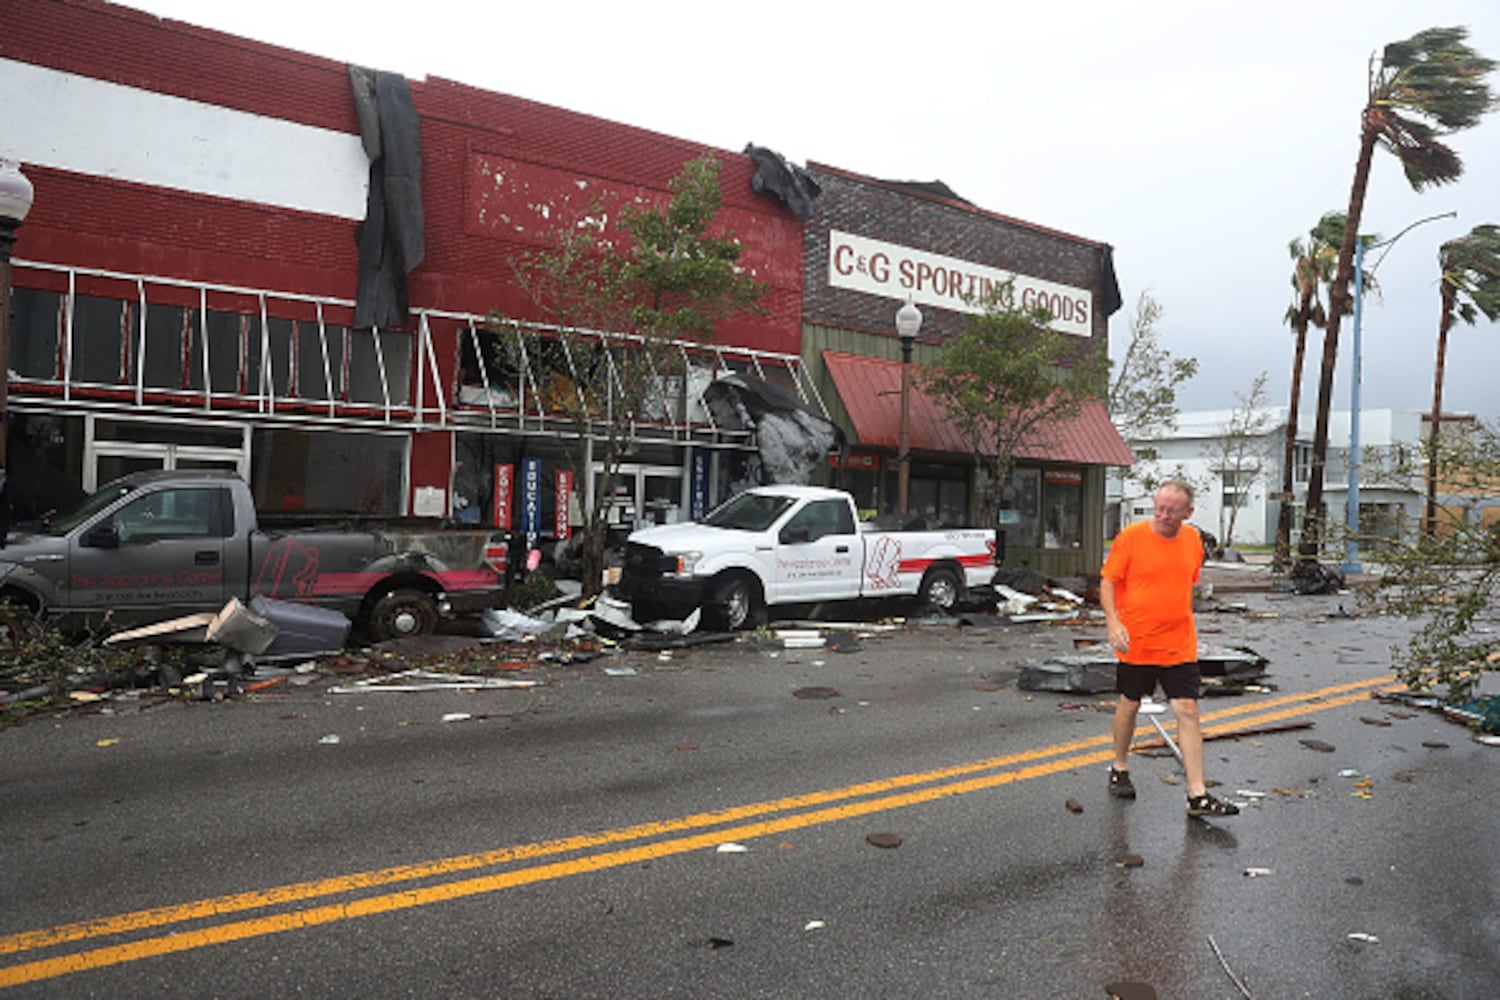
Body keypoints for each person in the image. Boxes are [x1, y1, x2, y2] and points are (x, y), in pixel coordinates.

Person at [1100, 479, 1238, 818]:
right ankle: (1119, 767)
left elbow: (1184, 584)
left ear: (1187, 513)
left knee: (1188, 709)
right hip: (1138, 640)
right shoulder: (1131, 538)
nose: (1162, 515)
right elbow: (1108, 581)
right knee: (1130, 703)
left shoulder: (1192, 541)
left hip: (1178, 643)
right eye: (1159, 508)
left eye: (1171, 511)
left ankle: (1197, 795)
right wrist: (1113, 623)